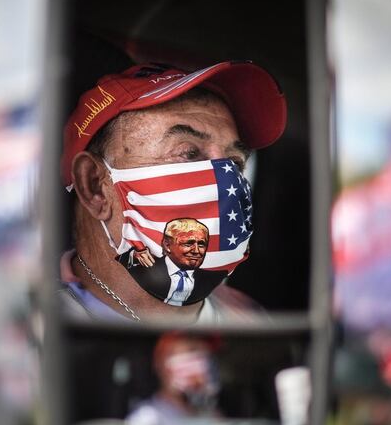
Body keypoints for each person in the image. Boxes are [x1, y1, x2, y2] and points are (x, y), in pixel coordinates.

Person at [60, 61, 287, 322]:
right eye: (189, 153)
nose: (224, 179)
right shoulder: (26, 333)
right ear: (94, 186)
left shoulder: (253, 325)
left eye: (234, 162)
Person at [118, 218, 226, 306]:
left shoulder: (212, 279)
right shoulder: (140, 271)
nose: (196, 251)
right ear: (167, 245)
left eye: (201, 244)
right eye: (188, 244)